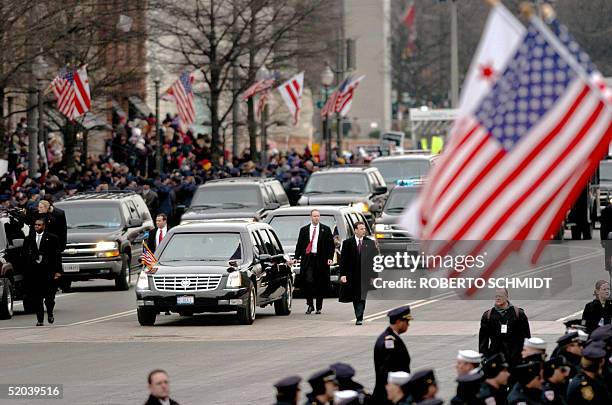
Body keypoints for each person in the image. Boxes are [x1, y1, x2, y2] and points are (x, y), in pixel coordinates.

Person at [293, 209, 334, 314]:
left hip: (321, 259)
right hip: (308, 258)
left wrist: (330, 258)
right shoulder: (304, 230)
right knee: (308, 281)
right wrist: (296, 257)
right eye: (315, 216)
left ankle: (319, 306)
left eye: (318, 216)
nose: (317, 218)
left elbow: (331, 245)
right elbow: (300, 244)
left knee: (320, 283)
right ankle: (310, 305)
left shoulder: (326, 229)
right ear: (311, 217)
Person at [23, 218, 62, 326]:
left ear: (44, 226)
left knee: (49, 298)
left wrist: (58, 271)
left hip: (48, 272)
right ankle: (40, 320)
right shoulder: (29, 239)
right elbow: (25, 255)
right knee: (37, 298)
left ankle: (50, 313)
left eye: (39, 225)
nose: (37, 227)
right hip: (35, 273)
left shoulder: (53, 238)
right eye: (35, 225)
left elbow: (57, 256)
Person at [339, 221, 378, 325]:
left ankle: (359, 317)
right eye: (361, 229)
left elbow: (374, 261)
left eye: (364, 229)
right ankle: (358, 313)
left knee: (362, 296)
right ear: (355, 230)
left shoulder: (369, 242)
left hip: (365, 275)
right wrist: (342, 275)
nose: (363, 231)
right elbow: (343, 260)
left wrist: (374, 276)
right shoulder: (347, 243)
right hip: (352, 275)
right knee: (355, 296)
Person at [479, 288, 531, 367]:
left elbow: (526, 337)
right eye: (496, 296)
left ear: (506, 297)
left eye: (500, 296)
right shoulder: (488, 316)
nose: (498, 298)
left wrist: (527, 355)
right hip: (495, 358)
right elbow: (483, 340)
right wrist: (483, 357)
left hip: (515, 358)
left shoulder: (518, 314)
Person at [373, 305, 412, 404]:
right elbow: (386, 370)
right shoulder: (389, 341)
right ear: (399, 322)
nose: (408, 325)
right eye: (407, 322)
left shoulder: (391, 337)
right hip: (389, 394)